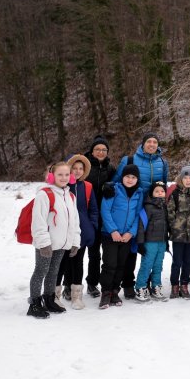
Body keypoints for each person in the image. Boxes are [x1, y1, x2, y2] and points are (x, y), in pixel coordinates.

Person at [112, 132, 168, 300]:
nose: (152, 144)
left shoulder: (162, 162)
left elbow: (163, 184)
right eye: (149, 141)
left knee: (149, 250)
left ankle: (152, 283)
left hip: (153, 209)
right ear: (142, 144)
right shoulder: (129, 160)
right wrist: (108, 188)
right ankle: (129, 285)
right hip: (132, 205)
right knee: (131, 249)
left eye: (155, 142)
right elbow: (116, 180)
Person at [27, 162, 81, 319]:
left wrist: (75, 241)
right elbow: (38, 221)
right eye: (60, 175)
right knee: (41, 271)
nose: (63, 178)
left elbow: (75, 221)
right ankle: (34, 303)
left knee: (54, 272)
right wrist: (44, 243)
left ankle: (49, 299)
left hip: (62, 244)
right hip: (47, 244)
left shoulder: (71, 196)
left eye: (66, 175)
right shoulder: (44, 194)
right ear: (52, 176)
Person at [56, 155, 98, 310]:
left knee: (78, 262)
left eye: (81, 168)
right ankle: (56, 295)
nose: (78, 171)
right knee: (61, 263)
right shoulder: (62, 186)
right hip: (63, 232)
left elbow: (93, 209)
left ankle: (76, 296)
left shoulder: (87, 186)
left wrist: (91, 226)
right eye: (75, 168)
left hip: (81, 232)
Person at [99, 164, 144, 309]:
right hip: (110, 235)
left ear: (137, 179)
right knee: (109, 264)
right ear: (122, 177)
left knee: (120, 265)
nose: (130, 180)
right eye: (127, 177)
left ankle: (114, 291)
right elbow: (105, 210)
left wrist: (131, 232)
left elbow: (138, 214)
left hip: (126, 237)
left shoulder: (139, 193)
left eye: (133, 177)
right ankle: (106, 292)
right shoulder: (114, 189)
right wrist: (113, 231)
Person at [83, 136, 115, 298]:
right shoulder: (85, 167)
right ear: (92, 151)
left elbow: (117, 184)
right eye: (98, 149)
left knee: (103, 252)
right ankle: (81, 284)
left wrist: (110, 187)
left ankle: (99, 283)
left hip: (106, 215)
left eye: (104, 150)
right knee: (89, 252)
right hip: (87, 215)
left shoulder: (110, 168)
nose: (101, 152)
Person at [167, 166, 190, 299]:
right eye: (185, 178)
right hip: (178, 235)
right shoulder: (175, 194)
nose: (188, 180)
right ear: (181, 179)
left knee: (188, 262)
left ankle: (184, 285)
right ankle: (174, 286)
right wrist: (174, 227)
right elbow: (170, 213)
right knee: (177, 261)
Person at [134, 181, 170, 303]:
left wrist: (166, 241)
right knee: (146, 265)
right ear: (152, 193)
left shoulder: (165, 207)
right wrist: (140, 243)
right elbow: (141, 226)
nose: (160, 193)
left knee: (158, 266)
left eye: (162, 191)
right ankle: (140, 287)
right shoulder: (147, 207)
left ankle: (156, 286)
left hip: (161, 242)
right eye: (157, 191)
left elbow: (166, 226)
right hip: (150, 242)